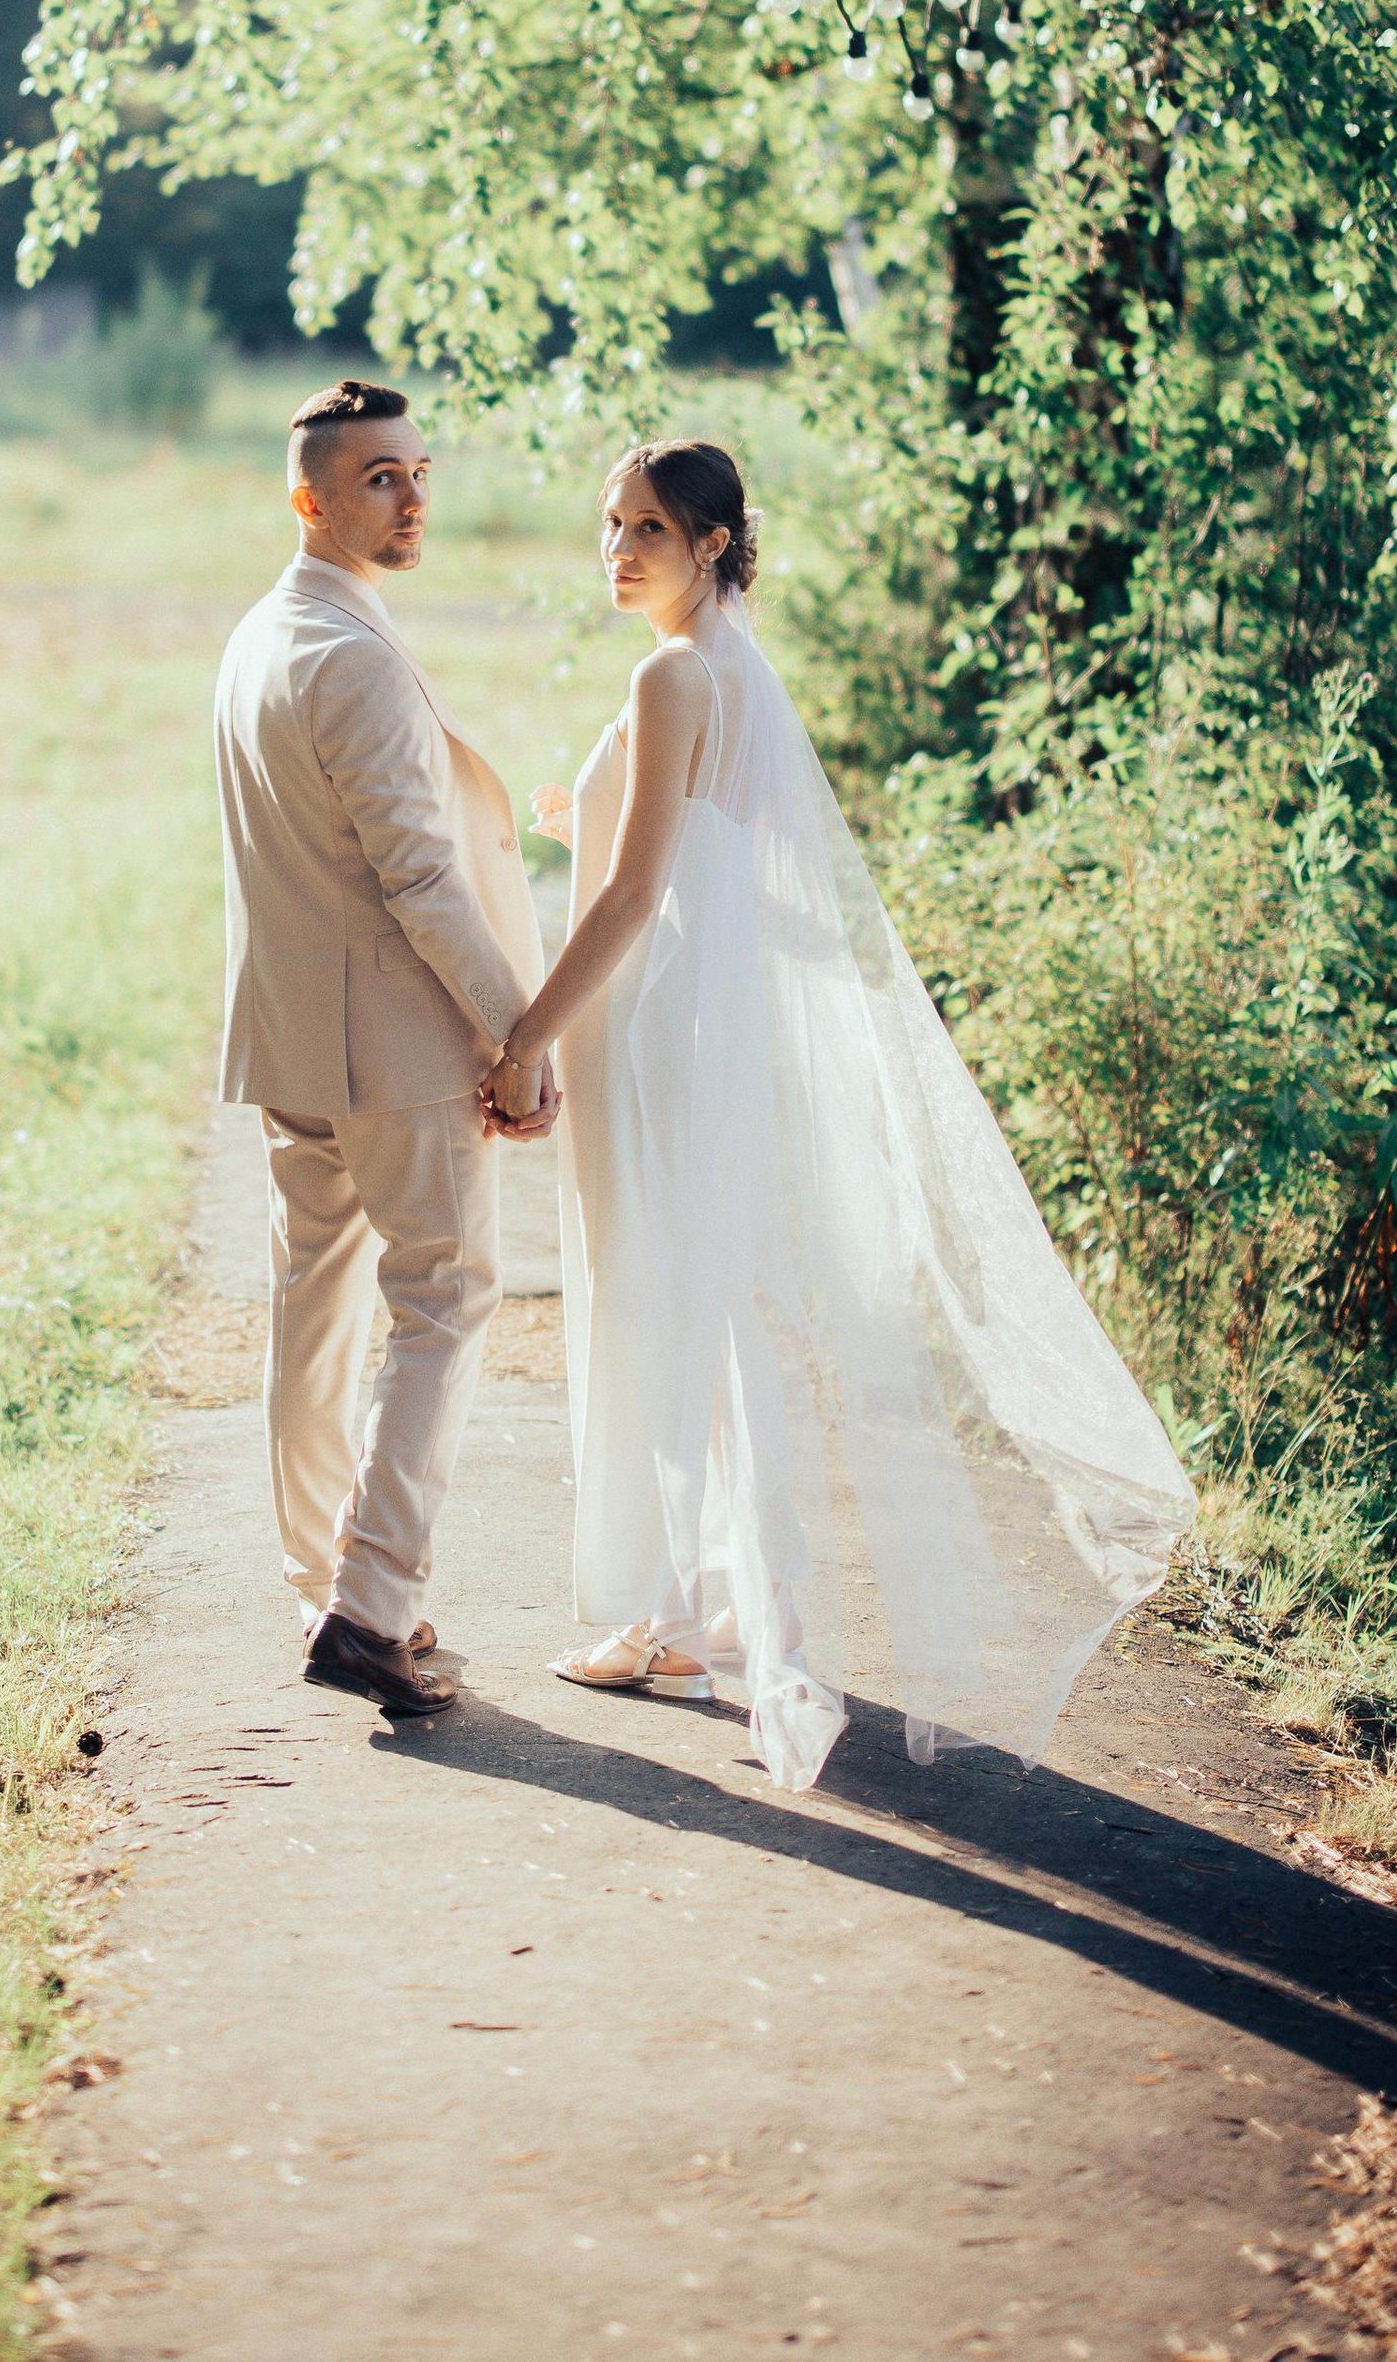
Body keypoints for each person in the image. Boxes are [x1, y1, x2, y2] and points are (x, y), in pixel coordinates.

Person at [501, 438, 1194, 1793]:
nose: (617, 548)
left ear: (711, 542)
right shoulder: (733, 672)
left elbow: (637, 897)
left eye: (647, 527)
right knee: (691, 1315)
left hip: (653, 1037)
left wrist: (527, 1030)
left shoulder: (673, 672)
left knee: (669, 1316)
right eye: (608, 525)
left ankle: (735, 1628)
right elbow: (715, 856)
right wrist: (577, 805)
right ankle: (686, 1616)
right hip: (701, 1037)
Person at [212, 379, 557, 1723]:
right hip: (389, 1043)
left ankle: (325, 1579)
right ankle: (372, 1603)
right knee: (448, 1295)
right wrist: (513, 1034)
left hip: (296, 1038)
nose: (411, 498)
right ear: (310, 496)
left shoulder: (263, 631)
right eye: (378, 480)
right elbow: (421, 879)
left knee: (320, 1309)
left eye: (417, 473)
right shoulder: (344, 653)